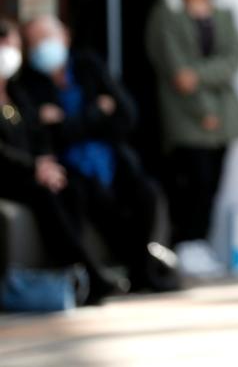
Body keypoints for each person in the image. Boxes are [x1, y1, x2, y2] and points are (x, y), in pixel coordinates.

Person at [14, 15, 177, 293]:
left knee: (145, 193)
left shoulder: (89, 65)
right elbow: (46, 135)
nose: (43, 46)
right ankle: (103, 278)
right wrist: (98, 113)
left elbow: (126, 115)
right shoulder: (28, 83)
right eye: (35, 41)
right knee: (85, 197)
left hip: (112, 161)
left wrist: (68, 121)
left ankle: (142, 272)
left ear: (64, 36)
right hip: (71, 168)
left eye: (47, 37)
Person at [145, 0, 238, 277]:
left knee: (214, 182)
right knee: (193, 180)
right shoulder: (167, 10)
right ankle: (185, 242)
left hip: (224, 112)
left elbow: (233, 57)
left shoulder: (222, 7)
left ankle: (200, 243)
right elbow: (178, 72)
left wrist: (201, 75)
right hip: (185, 113)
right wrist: (203, 106)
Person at [0, 17, 120, 304]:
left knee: (73, 186)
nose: (8, 50)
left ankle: (75, 275)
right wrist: (35, 167)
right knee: (44, 192)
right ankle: (89, 275)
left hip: (33, 170)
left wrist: (44, 161)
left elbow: (37, 132)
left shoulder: (16, 92)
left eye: (12, 43)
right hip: (9, 174)